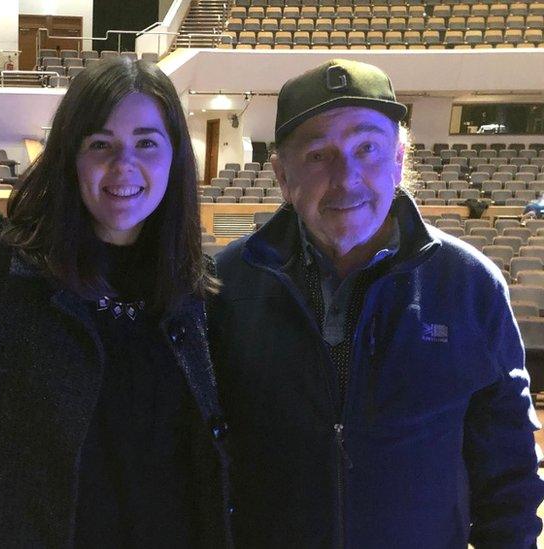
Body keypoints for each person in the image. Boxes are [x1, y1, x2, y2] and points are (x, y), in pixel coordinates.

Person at [208, 58, 544, 547]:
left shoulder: (469, 284)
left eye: (367, 148)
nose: (346, 179)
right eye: (319, 155)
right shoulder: (225, 285)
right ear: (282, 174)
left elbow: (509, 475)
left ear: (399, 159)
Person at [0, 57, 232, 547]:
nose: (124, 166)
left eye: (147, 143)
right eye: (100, 144)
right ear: (70, 155)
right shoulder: (4, 259)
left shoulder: (194, 285)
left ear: (174, 157)